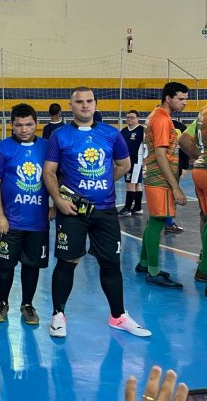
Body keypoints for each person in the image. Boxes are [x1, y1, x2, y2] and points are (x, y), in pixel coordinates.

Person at [44, 86, 150, 338]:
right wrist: (58, 201)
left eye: (89, 101)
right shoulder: (60, 136)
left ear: (95, 104)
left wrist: (105, 182)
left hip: (105, 211)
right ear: (71, 106)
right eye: (79, 101)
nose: (84, 105)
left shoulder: (111, 134)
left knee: (111, 263)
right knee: (67, 262)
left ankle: (118, 316)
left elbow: (124, 164)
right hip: (72, 212)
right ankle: (58, 315)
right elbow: (49, 172)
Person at [0, 104, 51, 325]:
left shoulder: (48, 147)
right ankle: (2, 302)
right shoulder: (1, 149)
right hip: (11, 221)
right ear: (12, 125)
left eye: (29, 124)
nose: (24, 129)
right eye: (19, 125)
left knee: (31, 265)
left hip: (38, 221)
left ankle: (27, 304)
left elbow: (57, 177)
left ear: (37, 124)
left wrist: (55, 206)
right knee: (5, 264)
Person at [138, 82, 188, 289]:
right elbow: (160, 154)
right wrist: (175, 186)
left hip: (156, 176)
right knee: (158, 221)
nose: (185, 103)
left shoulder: (158, 116)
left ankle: (144, 263)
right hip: (159, 178)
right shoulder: (161, 119)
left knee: (154, 221)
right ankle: (154, 271)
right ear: (168, 98)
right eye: (181, 99)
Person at [180, 87, 207, 295]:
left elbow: (184, 139)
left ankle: (205, 266)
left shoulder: (203, 112)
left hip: (201, 168)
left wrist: (201, 156)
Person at [119, 110, 146, 216]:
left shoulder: (142, 130)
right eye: (128, 117)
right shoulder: (124, 131)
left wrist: (144, 160)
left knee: (130, 184)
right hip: (126, 160)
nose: (129, 119)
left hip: (136, 161)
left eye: (132, 117)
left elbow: (146, 146)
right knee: (137, 184)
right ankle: (138, 207)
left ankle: (127, 208)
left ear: (138, 118)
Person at [165, 118, 190, 233]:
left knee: (171, 194)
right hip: (159, 165)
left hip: (175, 165)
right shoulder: (154, 125)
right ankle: (163, 221)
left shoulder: (180, 126)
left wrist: (184, 165)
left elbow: (185, 147)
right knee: (165, 194)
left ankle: (167, 222)